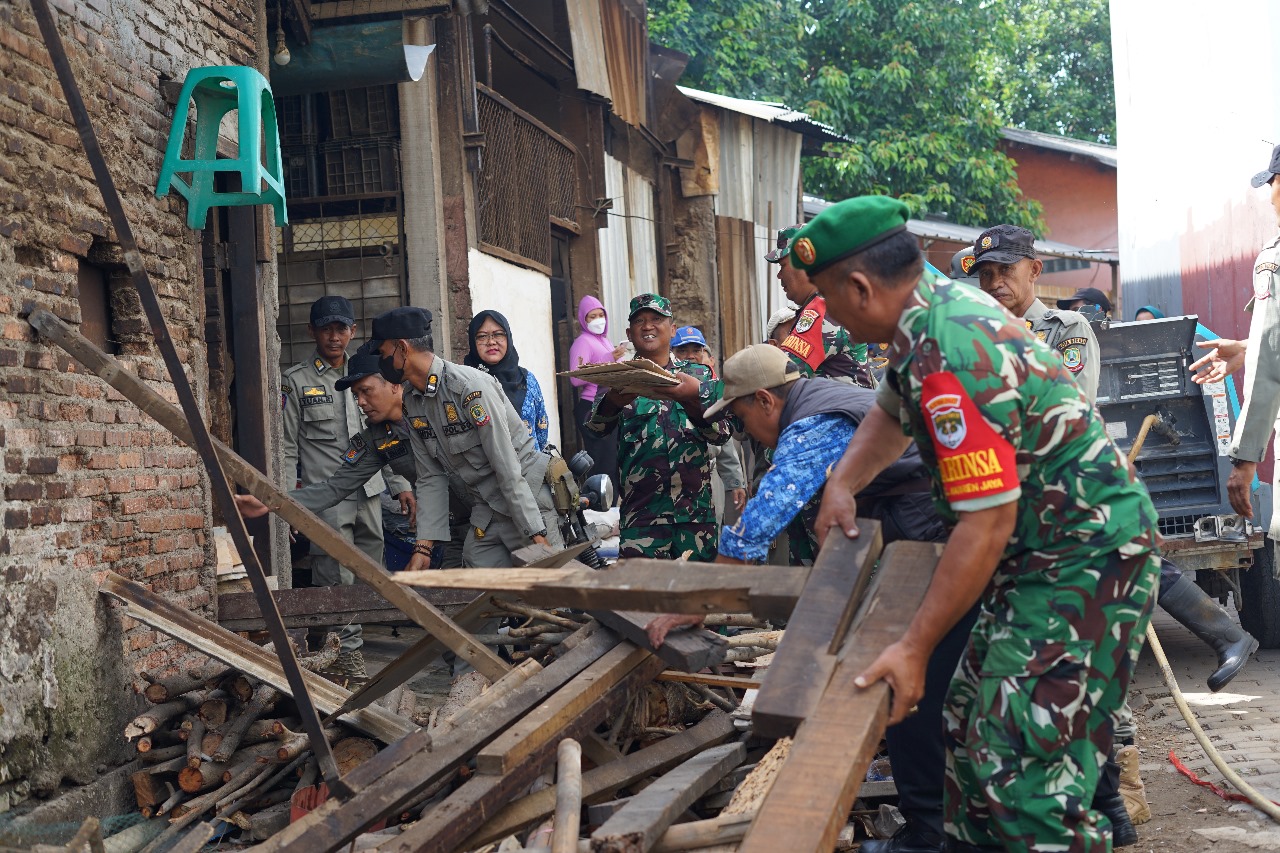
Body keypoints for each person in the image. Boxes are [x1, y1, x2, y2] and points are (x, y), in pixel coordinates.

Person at [794, 195, 1159, 853]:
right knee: (966, 725)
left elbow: (985, 525)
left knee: (1021, 761)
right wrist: (841, 481)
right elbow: (889, 410)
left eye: (827, 297)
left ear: (859, 287)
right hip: (1039, 552)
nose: (828, 314)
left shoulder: (951, 347)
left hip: (1084, 551)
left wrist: (912, 646)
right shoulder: (923, 314)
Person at [240, 347, 471, 569]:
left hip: (488, 516)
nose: (360, 402)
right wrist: (269, 501)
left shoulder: (435, 410)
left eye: (366, 391)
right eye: (356, 395)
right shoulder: (376, 438)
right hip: (454, 529)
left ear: (393, 384)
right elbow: (333, 488)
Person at [282, 296, 403, 682]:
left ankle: (343, 646)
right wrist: (285, 504)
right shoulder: (297, 380)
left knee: (369, 573)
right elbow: (285, 447)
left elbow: (386, 434)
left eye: (342, 328)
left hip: (368, 491)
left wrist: (400, 484)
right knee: (335, 575)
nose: (335, 336)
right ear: (312, 332)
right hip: (324, 497)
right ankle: (346, 656)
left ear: (353, 331)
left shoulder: (367, 374)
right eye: (327, 328)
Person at [583, 294, 730, 560]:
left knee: (698, 598)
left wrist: (691, 400)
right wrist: (613, 402)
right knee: (643, 600)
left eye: (656, 319)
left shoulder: (700, 375)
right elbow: (595, 431)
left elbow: (720, 434)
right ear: (629, 332)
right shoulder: (615, 376)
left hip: (694, 517)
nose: (648, 326)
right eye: (639, 320)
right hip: (642, 518)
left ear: (672, 329)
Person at [970, 224, 1102, 403]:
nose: (994, 283)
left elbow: (1073, 412)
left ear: (1034, 270)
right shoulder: (976, 335)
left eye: (1005, 269)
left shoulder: (1066, 328)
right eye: (986, 273)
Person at [764, 224, 876, 388]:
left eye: (783, 266)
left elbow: (781, 376)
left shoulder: (824, 308)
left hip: (842, 411)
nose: (779, 275)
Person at [671, 325, 747, 520]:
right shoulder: (663, 385)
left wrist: (735, 481)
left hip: (709, 474)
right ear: (672, 352)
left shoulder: (710, 386)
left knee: (712, 531)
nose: (690, 356)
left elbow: (725, 439)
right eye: (682, 350)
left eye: (696, 350)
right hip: (671, 478)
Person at [464, 310, 550, 452]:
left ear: (508, 337)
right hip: (486, 471)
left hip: (531, 468)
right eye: (482, 336)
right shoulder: (465, 381)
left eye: (498, 334)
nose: (491, 342)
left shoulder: (527, 379)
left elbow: (541, 430)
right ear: (473, 342)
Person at [568, 296, 623, 492]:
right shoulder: (582, 342)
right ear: (584, 319)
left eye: (601, 315)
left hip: (610, 403)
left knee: (614, 461)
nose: (599, 319)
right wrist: (609, 358)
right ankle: (600, 508)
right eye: (593, 316)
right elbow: (575, 377)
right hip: (591, 406)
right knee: (603, 463)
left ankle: (613, 508)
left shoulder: (604, 341)